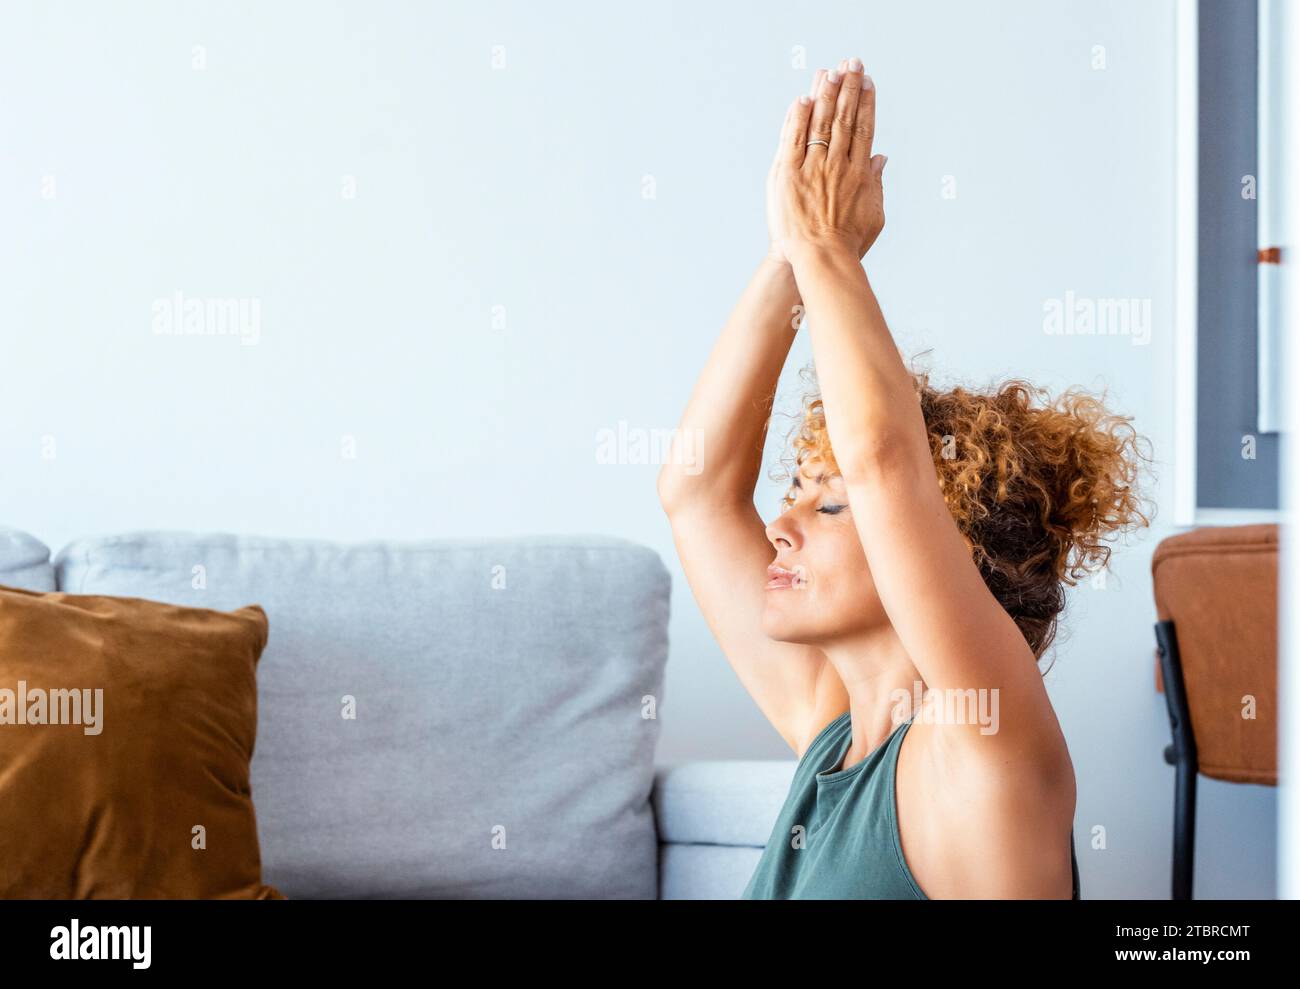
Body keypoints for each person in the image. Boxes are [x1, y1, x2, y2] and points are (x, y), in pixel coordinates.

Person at [656, 57, 1153, 898]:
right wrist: (792, 254)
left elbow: (888, 466)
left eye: (830, 502)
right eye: (798, 494)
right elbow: (698, 491)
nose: (781, 525)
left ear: (934, 544)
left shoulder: (981, 737)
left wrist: (825, 248)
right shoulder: (833, 729)